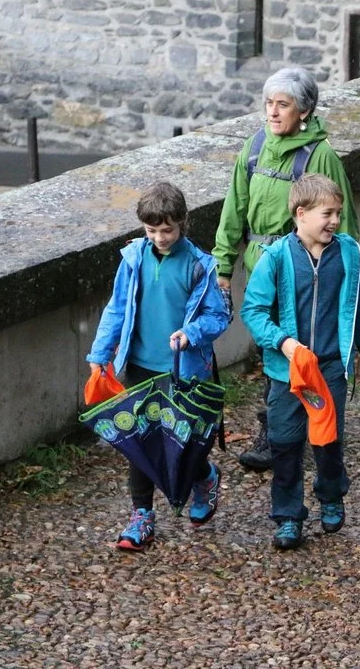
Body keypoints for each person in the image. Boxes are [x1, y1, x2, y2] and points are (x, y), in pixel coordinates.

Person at [214, 66, 360, 472]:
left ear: (305, 111)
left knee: (306, 344)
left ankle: (312, 421)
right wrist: (223, 266)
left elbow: (342, 221)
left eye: (283, 104)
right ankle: (279, 426)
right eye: (269, 103)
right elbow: (234, 208)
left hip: (304, 269)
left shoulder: (320, 155)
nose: (273, 112)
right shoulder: (256, 147)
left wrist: (343, 274)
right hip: (262, 268)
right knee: (273, 347)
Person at [87, 181, 231, 551]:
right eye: (151, 231)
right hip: (139, 365)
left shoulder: (199, 265)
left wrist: (191, 333)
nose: (160, 238)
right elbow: (117, 308)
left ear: (182, 222)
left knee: (181, 443)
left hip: (182, 371)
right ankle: (142, 515)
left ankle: (204, 476)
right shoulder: (133, 258)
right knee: (141, 441)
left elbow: (218, 316)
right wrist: (100, 354)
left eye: (167, 230)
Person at [240, 174, 360, 550]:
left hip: (330, 367)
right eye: (327, 213)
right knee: (284, 442)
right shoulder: (276, 258)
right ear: (301, 214)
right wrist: (282, 342)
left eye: (338, 213)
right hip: (286, 371)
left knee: (328, 440)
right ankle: (288, 515)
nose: (335, 221)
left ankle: (330, 494)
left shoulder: (348, 254)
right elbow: (253, 310)